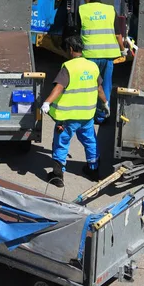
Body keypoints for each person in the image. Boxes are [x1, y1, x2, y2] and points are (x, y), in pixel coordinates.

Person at [41, 35, 109, 187]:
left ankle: (57, 176)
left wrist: (47, 102)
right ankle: (93, 170)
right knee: (90, 141)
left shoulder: (68, 67)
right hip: (87, 116)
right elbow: (99, 89)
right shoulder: (92, 66)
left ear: (70, 50)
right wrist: (105, 103)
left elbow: (59, 87)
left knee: (61, 143)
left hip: (67, 118)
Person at [78, 0, 126, 124]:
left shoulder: (82, 10)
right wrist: (123, 50)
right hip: (108, 56)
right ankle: (101, 116)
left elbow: (76, 32)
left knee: (89, 84)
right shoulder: (110, 10)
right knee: (105, 85)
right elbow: (118, 35)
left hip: (89, 55)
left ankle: (86, 113)